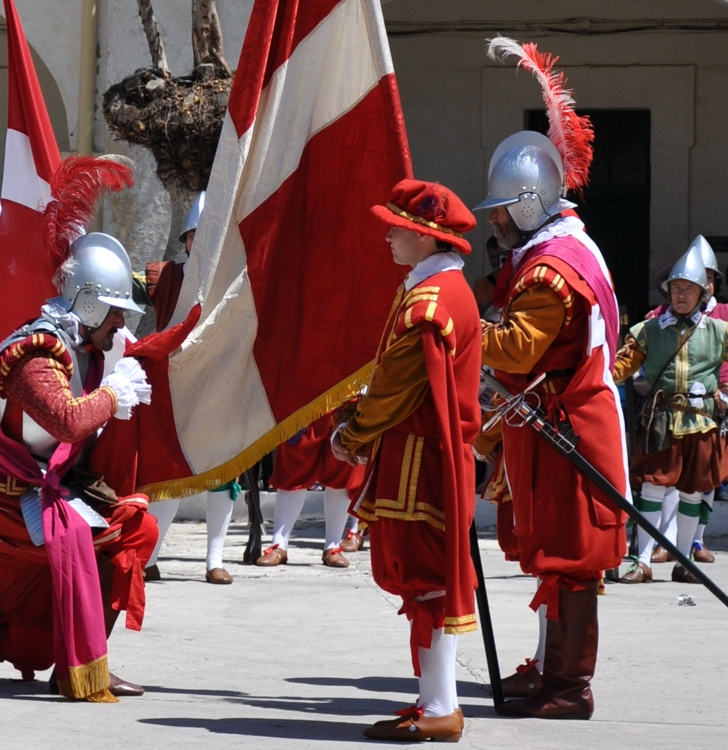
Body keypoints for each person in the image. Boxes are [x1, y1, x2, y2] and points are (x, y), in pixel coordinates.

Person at [0, 229, 159, 700]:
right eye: (114, 313)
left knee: (32, 647)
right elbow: (66, 421)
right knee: (136, 529)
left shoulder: (77, 350)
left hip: (31, 491)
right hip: (4, 497)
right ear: (88, 305)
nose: (118, 326)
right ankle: (86, 667)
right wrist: (113, 395)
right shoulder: (37, 352)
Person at [476, 130, 628, 720]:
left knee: (571, 561)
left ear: (526, 205)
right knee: (552, 560)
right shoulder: (548, 253)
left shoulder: (553, 270)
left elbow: (517, 347)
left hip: (570, 431)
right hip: (548, 427)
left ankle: (569, 686)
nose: (495, 225)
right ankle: (548, 669)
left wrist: (461, 325)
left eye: (501, 214)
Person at [332, 179, 481, 742]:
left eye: (400, 228)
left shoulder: (431, 302)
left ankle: (441, 707)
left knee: (430, 583)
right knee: (425, 583)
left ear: (425, 237)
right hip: (423, 456)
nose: (390, 236)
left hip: (422, 462)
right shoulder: (437, 291)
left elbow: (397, 384)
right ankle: (432, 701)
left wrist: (354, 433)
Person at [137, 191, 241, 585]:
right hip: (173, 387)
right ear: (186, 239)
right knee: (170, 473)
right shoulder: (163, 276)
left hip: (219, 382)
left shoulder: (236, 279)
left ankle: (215, 559)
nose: (202, 241)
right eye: (196, 234)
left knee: (222, 474)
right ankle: (148, 558)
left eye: (211, 234)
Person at [613, 242, 728, 584]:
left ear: (702, 293)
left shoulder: (719, 331)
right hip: (660, 421)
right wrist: (595, 373)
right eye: (675, 289)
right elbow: (622, 365)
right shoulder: (650, 329)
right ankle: (643, 560)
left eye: (688, 290)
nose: (680, 296)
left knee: (693, 491)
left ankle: (684, 560)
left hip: (701, 421)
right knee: (652, 488)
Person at [257, 413, 365, 568]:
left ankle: (333, 546)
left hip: (346, 398)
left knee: (343, 468)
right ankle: (278, 545)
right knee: (293, 468)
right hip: (306, 399)